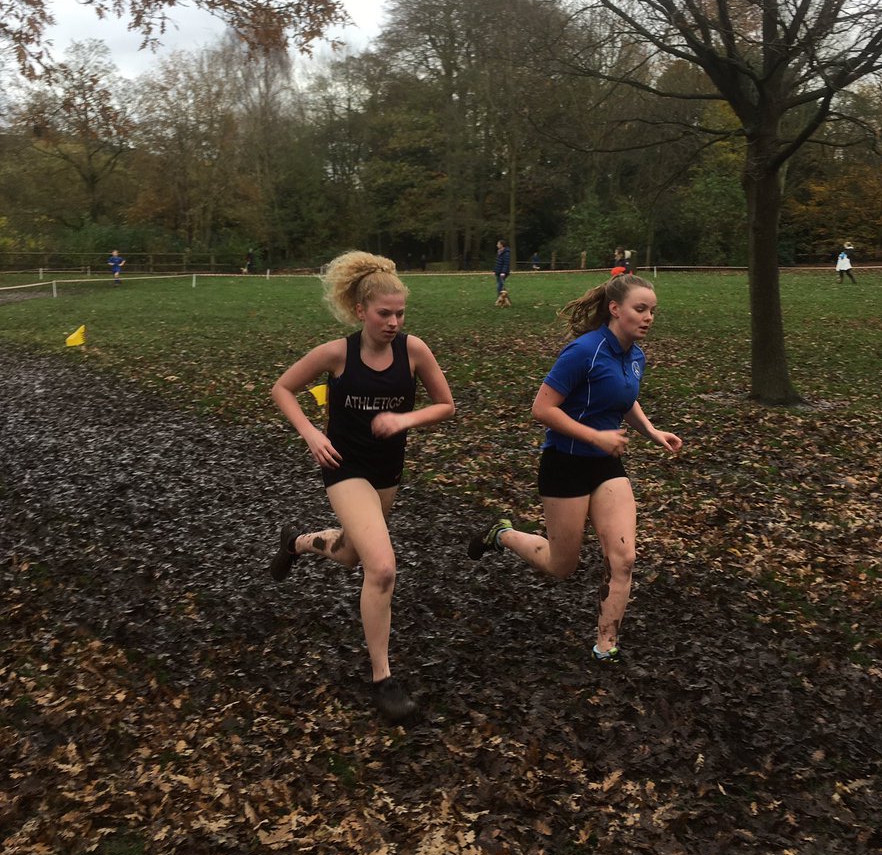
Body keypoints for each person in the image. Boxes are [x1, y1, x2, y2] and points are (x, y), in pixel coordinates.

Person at [270, 251, 455, 722]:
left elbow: (446, 405)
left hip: (386, 472)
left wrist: (404, 420)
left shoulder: (414, 351)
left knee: (352, 554)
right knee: (383, 567)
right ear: (360, 311)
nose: (393, 323)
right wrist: (312, 434)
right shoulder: (337, 354)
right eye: (384, 314)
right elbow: (282, 389)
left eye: (400, 314)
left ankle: (298, 541)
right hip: (344, 468)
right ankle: (382, 679)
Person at [467, 273, 682, 663]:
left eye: (652, 310)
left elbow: (622, 396)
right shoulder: (583, 351)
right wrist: (595, 436)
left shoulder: (636, 356)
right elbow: (541, 408)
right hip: (565, 464)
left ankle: (606, 645)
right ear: (615, 309)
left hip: (606, 466)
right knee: (561, 564)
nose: (648, 317)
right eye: (640, 309)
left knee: (624, 557)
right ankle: (503, 535)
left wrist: (651, 431)